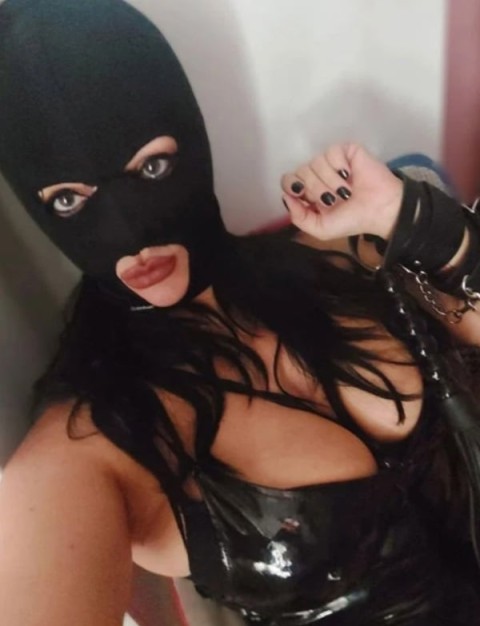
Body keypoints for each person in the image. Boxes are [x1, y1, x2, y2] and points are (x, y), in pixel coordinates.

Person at [0, 1, 480, 625]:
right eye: (69, 200)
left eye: (152, 167)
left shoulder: (344, 254)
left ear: (192, 141)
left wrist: (423, 225)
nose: (129, 232)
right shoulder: (92, 447)